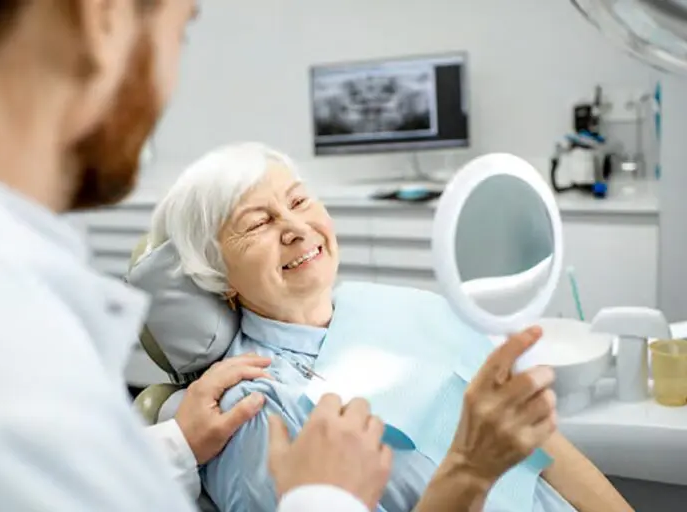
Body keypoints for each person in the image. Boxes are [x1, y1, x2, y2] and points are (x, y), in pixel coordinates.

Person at [0, 2, 387, 512]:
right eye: (181, 30)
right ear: (102, 17)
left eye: (297, 201)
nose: (295, 229)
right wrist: (325, 499)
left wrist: (176, 443)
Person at [150, 142, 635, 512]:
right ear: (218, 274)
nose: (295, 228)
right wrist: (470, 468)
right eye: (258, 224)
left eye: (299, 202)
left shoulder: (404, 307)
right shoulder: (254, 409)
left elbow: (543, 447)